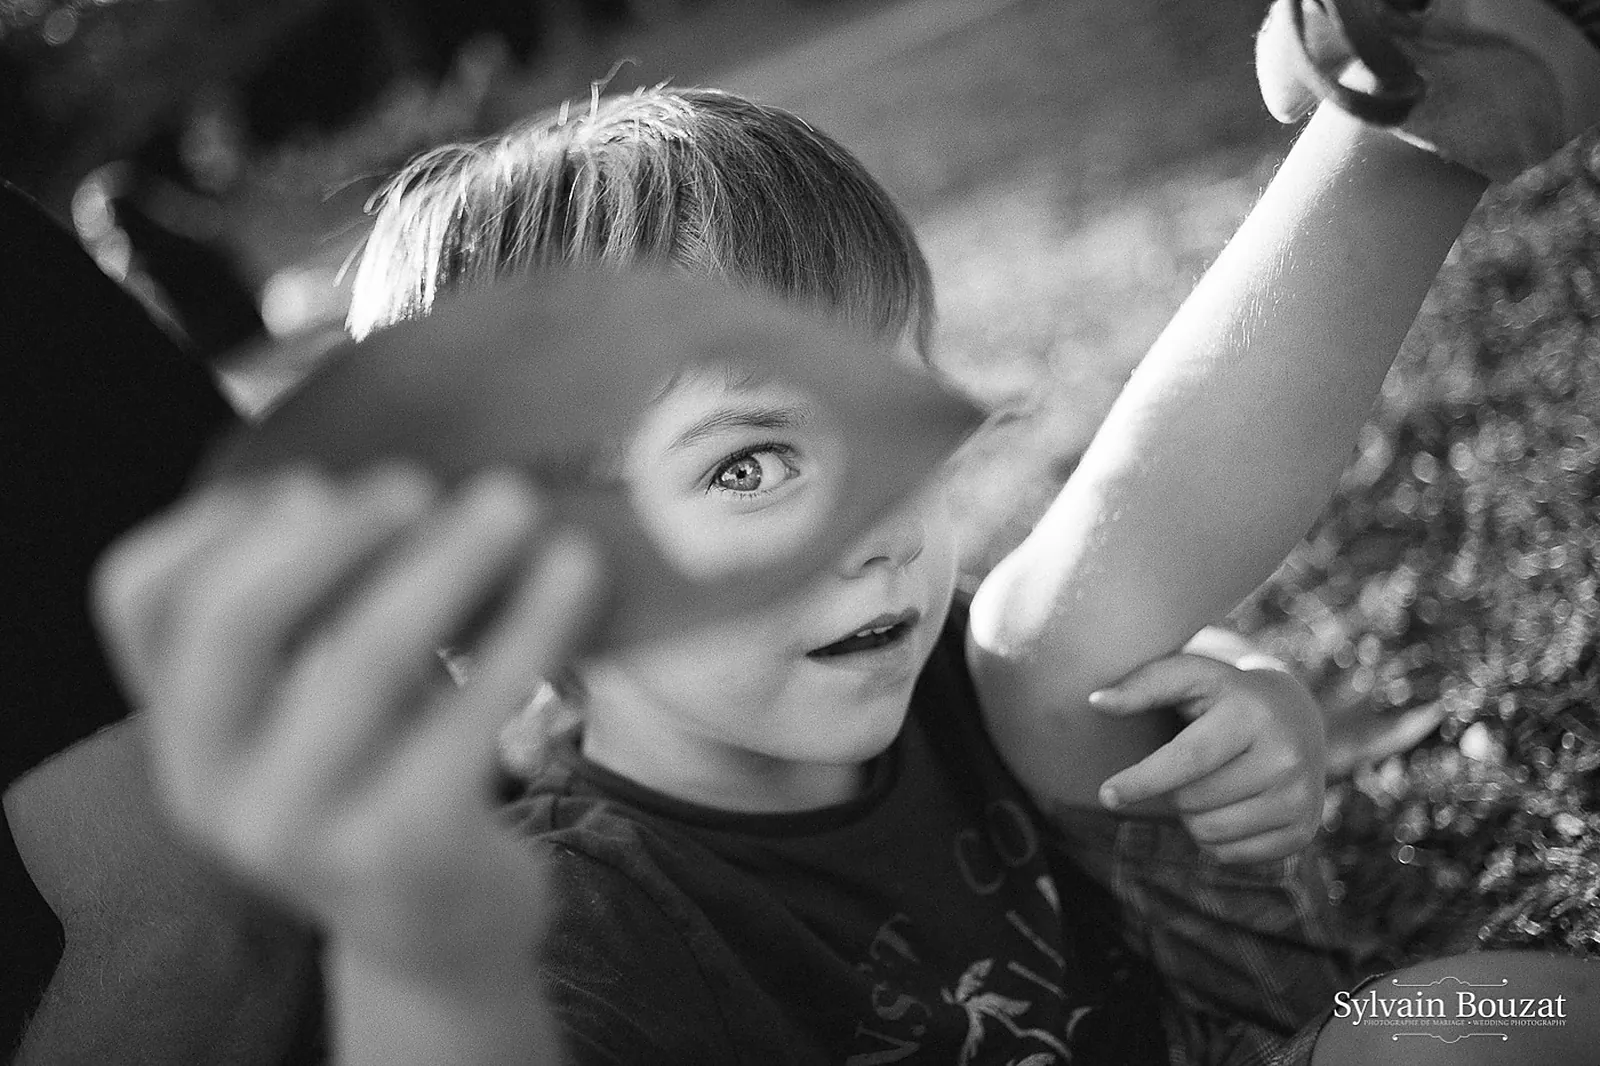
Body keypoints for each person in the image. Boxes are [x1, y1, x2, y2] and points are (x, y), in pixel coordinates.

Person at [91, 1, 1600, 1063]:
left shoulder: (987, 683)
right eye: (751, 466)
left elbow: (1138, 567)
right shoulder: (582, 949)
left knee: (1495, 1015)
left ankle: (1410, 127)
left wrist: (1254, 702)